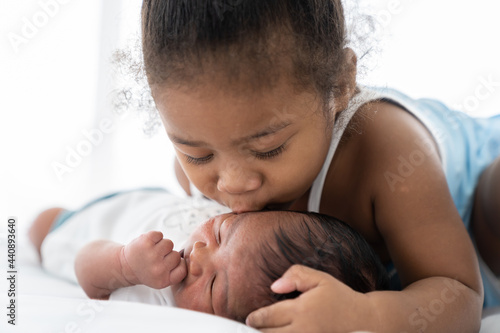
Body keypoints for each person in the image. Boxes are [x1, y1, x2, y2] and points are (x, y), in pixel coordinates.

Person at [137, 0, 500, 331]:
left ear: (340, 84)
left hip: (477, 213)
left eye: (268, 148)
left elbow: (462, 297)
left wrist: (365, 313)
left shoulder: (385, 152)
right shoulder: (197, 174)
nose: (231, 183)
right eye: (198, 154)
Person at [29, 189, 389, 322]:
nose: (200, 254)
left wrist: (123, 264)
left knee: (39, 222)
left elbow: (87, 269)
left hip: (83, 230)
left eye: (215, 286)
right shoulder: (243, 227)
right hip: (143, 197)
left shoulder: (161, 301)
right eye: (220, 232)